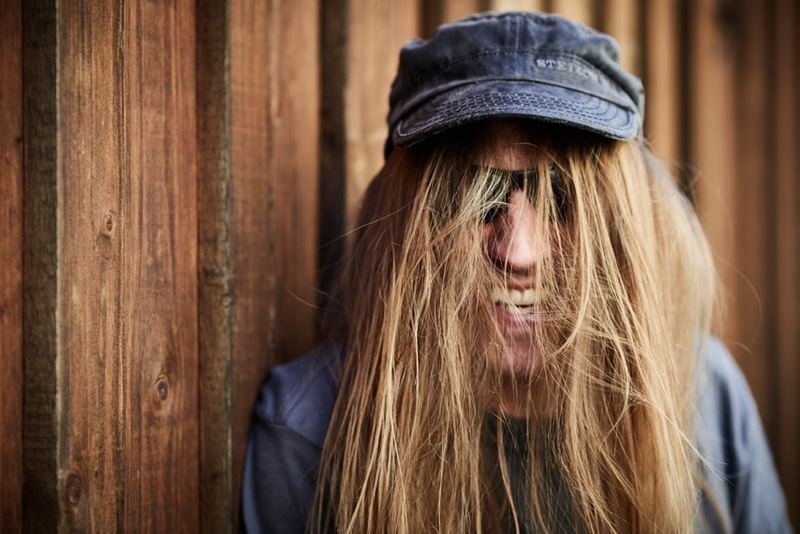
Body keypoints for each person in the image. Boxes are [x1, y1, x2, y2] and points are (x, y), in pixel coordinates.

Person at [241, 11, 793, 533]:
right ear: (405, 228)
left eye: (562, 200)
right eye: (475, 199)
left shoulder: (703, 398)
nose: (520, 253)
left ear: (620, 226)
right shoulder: (310, 429)